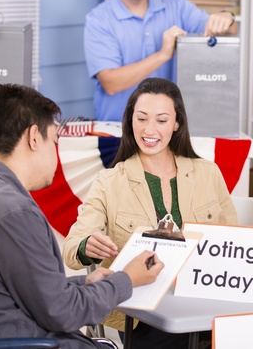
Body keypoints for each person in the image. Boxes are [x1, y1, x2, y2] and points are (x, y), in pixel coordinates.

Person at [0, 84, 163, 349]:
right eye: (54, 141)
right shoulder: (14, 212)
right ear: (32, 138)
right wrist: (127, 279)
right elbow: (63, 313)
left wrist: (84, 282)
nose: (56, 152)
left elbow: (27, 290)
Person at [63, 77, 238, 349]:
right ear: (130, 120)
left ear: (177, 123)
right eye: (141, 118)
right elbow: (71, 250)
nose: (149, 129)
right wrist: (88, 245)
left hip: (203, 302)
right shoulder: (109, 181)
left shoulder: (208, 173)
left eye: (161, 120)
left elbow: (234, 241)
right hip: (141, 316)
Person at [85, 0, 238, 121]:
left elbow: (227, 31)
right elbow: (111, 82)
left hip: (168, 128)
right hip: (119, 130)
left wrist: (227, 17)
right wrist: (162, 55)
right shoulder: (99, 20)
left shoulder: (176, 6)